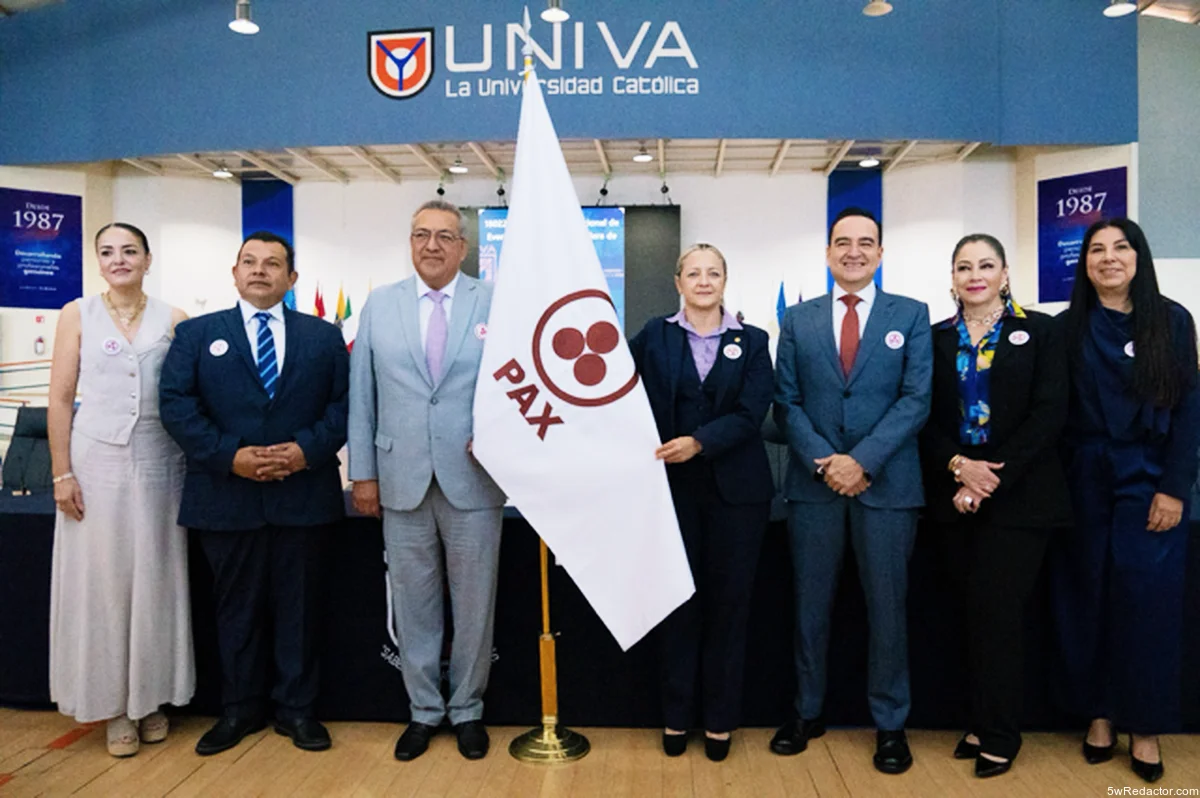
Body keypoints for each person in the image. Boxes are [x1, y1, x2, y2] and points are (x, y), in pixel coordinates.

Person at [159, 231, 348, 756]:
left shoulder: (323, 337)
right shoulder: (197, 335)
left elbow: (344, 406)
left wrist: (305, 451)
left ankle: (298, 711)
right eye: (250, 262)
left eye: (273, 264)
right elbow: (176, 405)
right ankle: (240, 709)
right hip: (225, 496)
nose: (260, 271)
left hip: (303, 494)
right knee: (235, 611)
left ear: (292, 278)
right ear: (235, 272)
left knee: (300, 609)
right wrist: (230, 456)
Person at [771, 207, 932, 774]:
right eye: (843, 242)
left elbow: (916, 400)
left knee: (887, 611)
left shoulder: (911, 315)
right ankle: (806, 711)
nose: (854, 251)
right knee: (810, 608)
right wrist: (826, 465)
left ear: (881, 254)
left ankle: (890, 725)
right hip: (814, 490)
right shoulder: (796, 319)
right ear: (828, 252)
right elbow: (785, 403)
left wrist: (860, 461)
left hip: (886, 488)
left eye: (866, 243)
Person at [348, 200, 505, 762]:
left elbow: (516, 385)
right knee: (414, 606)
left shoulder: (495, 301)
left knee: (474, 605)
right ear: (409, 242)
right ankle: (422, 712)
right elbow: (361, 396)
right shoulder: (379, 304)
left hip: (475, 480)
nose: (432, 245)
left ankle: (467, 710)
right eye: (421, 235)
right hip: (400, 479)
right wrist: (361, 473)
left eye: (444, 236)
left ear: (463, 247)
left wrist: (501, 437)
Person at [1053, 218, 1200, 784]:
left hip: (1150, 480)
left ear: (1139, 257)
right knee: (1086, 598)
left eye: (1121, 247)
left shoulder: (1173, 320)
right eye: (1097, 250)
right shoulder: (1069, 328)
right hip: (1083, 481)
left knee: (1148, 606)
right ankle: (1098, 714)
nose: (1109, 258)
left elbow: (1188, 411)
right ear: (1084, 263)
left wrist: (1173, 487)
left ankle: (1145, 725)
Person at [920, 234, 1070, 777]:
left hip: (1020, 497)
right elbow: (924, 418)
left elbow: (1050, 414)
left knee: (1000, 617)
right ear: (953, 276)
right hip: (953, 496)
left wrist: (988, 478)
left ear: (1005, 272)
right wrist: (960, 469)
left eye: (986, 265)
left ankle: (1003, 733)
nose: (975, 275)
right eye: (964, 266)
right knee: (968, 617)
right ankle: (981, 720)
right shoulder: (934, 339)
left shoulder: (1042, 331)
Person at [47, 223, 194, 757]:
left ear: (148, 259)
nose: (118, 259)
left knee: (154, 576)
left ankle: (151, 698)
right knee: (105, 582)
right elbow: (60, 398)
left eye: (129, 250)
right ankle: (111, 705)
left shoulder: (174, 319)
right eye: (107, 252)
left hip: (159, 462)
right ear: (97, 261)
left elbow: (186, 394)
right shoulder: (76, 314)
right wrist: (62, 473)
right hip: (95, 462)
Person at [628, 244, 774, 762]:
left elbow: (752, 412)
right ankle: (675, 716)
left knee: (729, 612)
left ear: (726, 280)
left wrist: (699, 442)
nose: (704, 280)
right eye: (694, 272)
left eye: (714, 272)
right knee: (678, 607)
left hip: (740, 498)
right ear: (678, 282)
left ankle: (719, 721)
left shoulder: (753, 341)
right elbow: (615, 393)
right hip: (669, 494)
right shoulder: (653, 335)